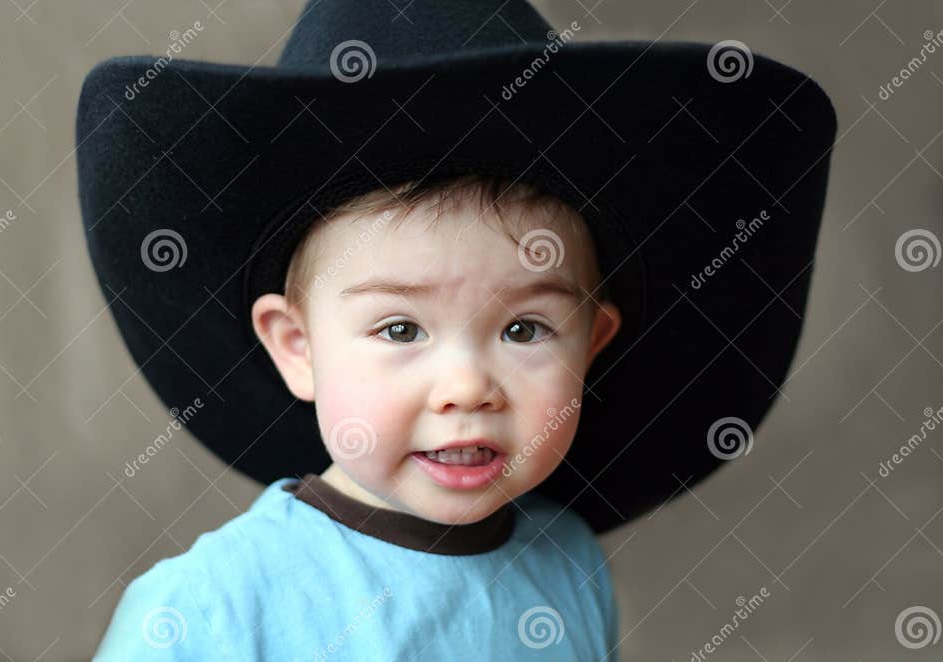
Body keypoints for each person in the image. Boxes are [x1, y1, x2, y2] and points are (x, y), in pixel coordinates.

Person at [76, 0, 837, 659]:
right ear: (297, 347)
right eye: (402, 328)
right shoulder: (213, 609)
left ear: (592, 345)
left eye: (527, 329)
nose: (468, 386)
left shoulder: (566, 565)